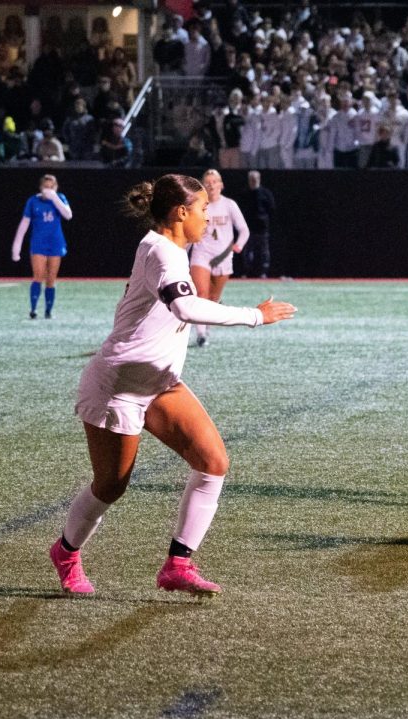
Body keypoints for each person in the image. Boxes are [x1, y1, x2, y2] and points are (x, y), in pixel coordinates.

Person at [49, 174, 295, 596]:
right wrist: (255, 316)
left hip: (160, 382)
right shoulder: (161, 250)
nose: (207, 218)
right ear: (181, 213)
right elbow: (184, 305)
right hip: (118, 385)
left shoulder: (170, 250)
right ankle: (67, 552)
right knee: (111, 485)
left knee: (213, 461)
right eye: (202, 211)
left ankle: (178, 565)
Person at [188, 169, 250, 346]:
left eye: (215, 181)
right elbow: (189, 232)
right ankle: (201, 334)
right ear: (202, 186)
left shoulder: (229, 205)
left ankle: (206, 328)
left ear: (221, 185)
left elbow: (244, 229)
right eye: (207, 182)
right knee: (201, 293)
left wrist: (238, 245)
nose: (211, 185)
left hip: (223, 256)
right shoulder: (197, 205)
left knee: (213, 298)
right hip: (201, 253)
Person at [11, 174, 71, 319]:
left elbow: (68, 215)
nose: (49, 190)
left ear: (56, 188)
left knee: (51, 278)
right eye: (46, 187)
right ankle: (33, 309)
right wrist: (16, 246)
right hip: (38, 244)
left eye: (52, 187)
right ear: (40, 187)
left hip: (55, 243)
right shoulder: (33, 201)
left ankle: (48, 311)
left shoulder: (60, 198)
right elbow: (24, 224)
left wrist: (55, 197)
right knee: (38, 275)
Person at [238, 170, 275, 278]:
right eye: (251, 180)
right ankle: (247, 272)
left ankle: (263, 272)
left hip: (262, 228)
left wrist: (265, 219)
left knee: (263, 251)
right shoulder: (244, 194)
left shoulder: (266, 194)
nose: (253, 182)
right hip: (248, 228)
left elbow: (272, 209)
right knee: (248, 251)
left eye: (255, 179)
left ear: (259, 180)